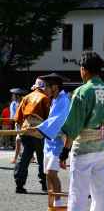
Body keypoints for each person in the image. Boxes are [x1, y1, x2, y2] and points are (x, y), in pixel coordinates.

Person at [60, 51, 104, 211]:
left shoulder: (82, 92)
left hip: (84, 150)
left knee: (78, 195)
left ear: (84, 69)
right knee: (102, 197)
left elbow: (73, 127)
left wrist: (64, 152)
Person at [27, 73, 70, 207]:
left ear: (55, 87)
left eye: (46, 87)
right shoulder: (55, 99)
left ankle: (58, 203)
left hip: (58, 143)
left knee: (52, 172)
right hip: (49, 141)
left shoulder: (64, 100)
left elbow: (57, 120)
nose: (44, 90)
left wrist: (38, 128)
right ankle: (51, 203)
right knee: (47, 174)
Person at [14, 77, 51, 194]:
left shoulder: (26, 97)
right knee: (42, 157)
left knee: (25, 156)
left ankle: (19, 184)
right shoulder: (45, 98)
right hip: (39, 130)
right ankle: (44, 184)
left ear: (35, 86)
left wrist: (19, 132)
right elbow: (49, 117)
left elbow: (18, 117)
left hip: (26, 129)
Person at [9, 88, 27, 164]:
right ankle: (31, 157)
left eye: (13, 95)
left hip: (25, 124)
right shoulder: (13, 104)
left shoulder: (25, 102)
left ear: (17, 96)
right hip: (18, 124)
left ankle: (15, 158)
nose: (12, 96)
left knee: (19, 140)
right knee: (22, 141)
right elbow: (13, 116)